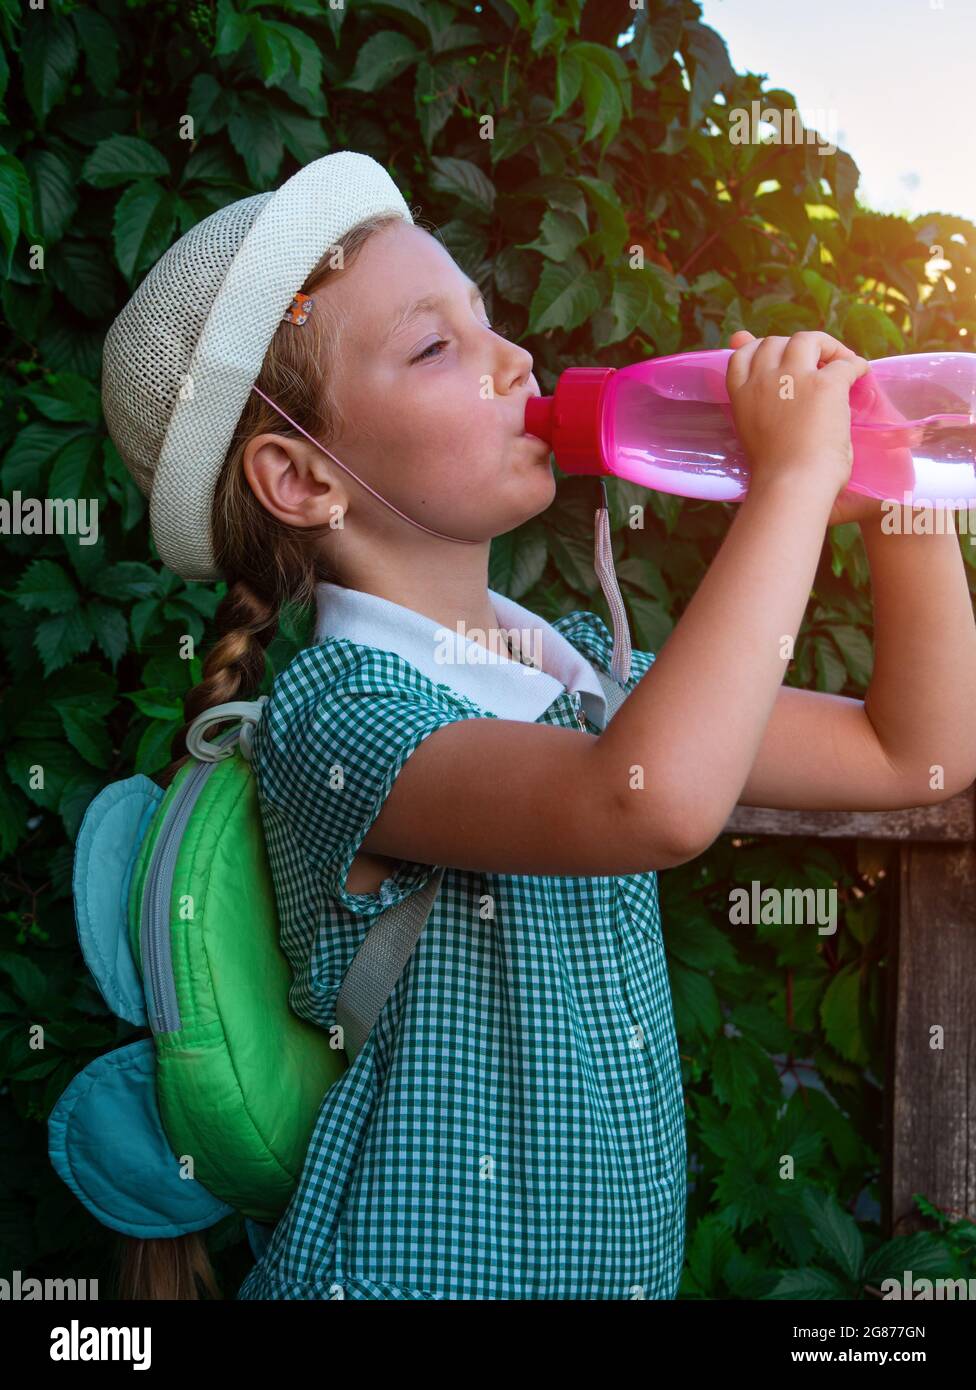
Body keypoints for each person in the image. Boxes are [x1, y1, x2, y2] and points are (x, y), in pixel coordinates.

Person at [100, 152, 976, 1300]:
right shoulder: (341, 711)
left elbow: (913, 750)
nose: (515, 359)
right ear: (302, 480)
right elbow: (649, 798)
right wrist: (788, 488)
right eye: (435, 346)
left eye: (488, 322)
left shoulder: (579, 678)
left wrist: (892, 487)